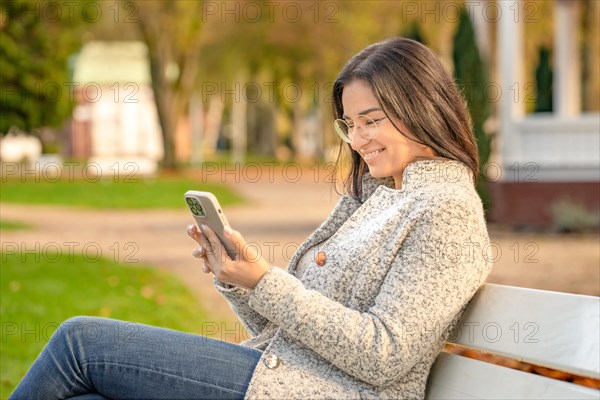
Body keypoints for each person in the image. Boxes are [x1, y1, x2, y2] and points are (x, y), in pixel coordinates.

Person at [10, 37, 493, 400]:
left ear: (422, 108)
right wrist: (240, 279)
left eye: (372, 120)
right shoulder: (379, 195)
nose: (359, 139)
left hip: (322, 392)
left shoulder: (445, 210)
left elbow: (384, 354)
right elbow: (294, 325)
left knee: (80, 342)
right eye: (350, 125)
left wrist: (266, 282)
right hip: (283, 373)